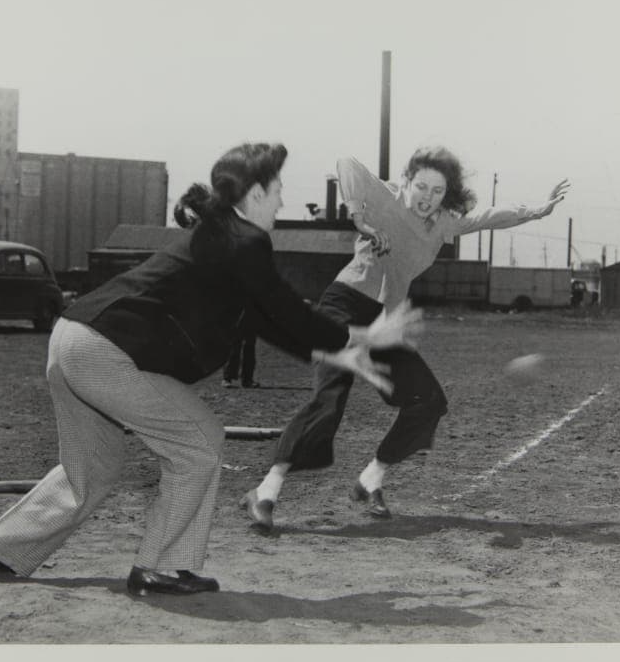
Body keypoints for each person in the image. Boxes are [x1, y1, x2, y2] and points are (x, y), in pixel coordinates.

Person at [0, 142, 426, 596]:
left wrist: (340, 349)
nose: (284, 197)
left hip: (73, 339)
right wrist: (360, 337)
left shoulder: (226, 236)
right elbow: (289, 312)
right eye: (278, 187)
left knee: (93, 468)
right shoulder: (246, 240)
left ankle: (1, 551)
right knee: (200, 441)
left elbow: (265, 318)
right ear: (256, 194)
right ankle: (163, 568)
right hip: (104, 351)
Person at [242, 148, 568, 530]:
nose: (427, 196)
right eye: (421, 186)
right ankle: (266, 490)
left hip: (387, 323)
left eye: (437, 190)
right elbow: (347, 163)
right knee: (329, 398)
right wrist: (359, 216)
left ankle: (371, 478)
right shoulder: (388, 199)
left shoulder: (445, 223)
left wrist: (537, 210)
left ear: (447, 195)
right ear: (408, 182)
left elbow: (489, 217)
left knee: (428, 401)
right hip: (343, 308)